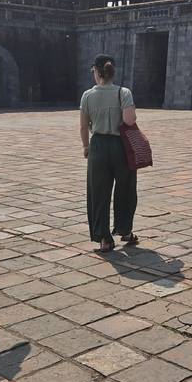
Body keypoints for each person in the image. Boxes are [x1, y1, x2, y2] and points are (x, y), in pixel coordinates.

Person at [80, 54, 138, 252]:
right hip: (121, 146)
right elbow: (130, 120)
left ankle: (104, 238)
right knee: (126, 188)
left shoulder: (87, 95)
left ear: (96, 72)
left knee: (99, 193)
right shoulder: (124, 92)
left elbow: (82, 126)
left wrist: (86, 147)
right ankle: (125, 231)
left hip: (97, 146)